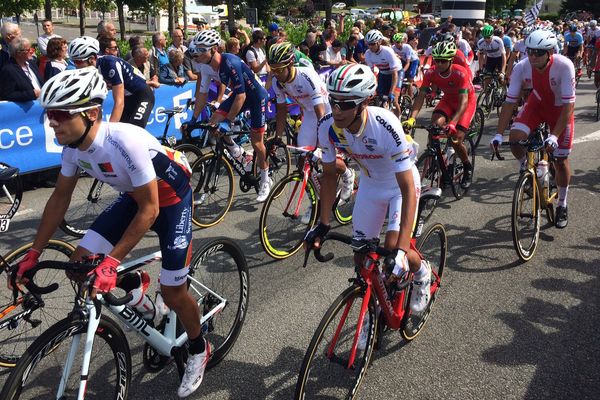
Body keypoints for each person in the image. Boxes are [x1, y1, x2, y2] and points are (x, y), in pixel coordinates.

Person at [14, 67, 209, 398]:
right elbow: (59, 198)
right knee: (80, 264)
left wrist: (112, 262)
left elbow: (151, 210)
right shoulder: (73, 149)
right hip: (135, 198)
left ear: (91, 113)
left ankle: (198, 347)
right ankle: (145, 302)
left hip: (172, 201)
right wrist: (33, 253)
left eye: (61, 114)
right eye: (49, 114)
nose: (52, 122)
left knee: (174, 290)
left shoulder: (123, 142)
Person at [305, 64, 430, 317]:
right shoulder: (328, 126)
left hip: (399, 187)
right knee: (361, 258)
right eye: (333, 101)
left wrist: (403, 251)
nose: (337, 110)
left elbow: (407, 188)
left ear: (365, 102)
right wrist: (323, 223)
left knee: (394, 249)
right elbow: (329, 177)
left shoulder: (385, 124)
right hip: (371, 186)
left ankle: (422, 272)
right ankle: (370, 316)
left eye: (346, 103)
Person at [491, 29, 574, 229]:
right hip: (536, 106)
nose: (533, 56)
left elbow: (568, 106)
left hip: (560, 111)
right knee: (516, 137)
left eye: (538, 52)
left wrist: (554, 135)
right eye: (530, 51)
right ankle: (525, 169)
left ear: (550, 52)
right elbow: (510, 103)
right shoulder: (522, 67)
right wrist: (497, 134)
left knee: (561, 160)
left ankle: (562, 203)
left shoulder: (564, 66)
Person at [267, 42, 354, 220]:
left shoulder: (306, 76)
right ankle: (317, 202)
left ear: (290, 64)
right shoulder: (278, 82)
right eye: (272, 68)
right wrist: (277, 137)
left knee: (324, 157)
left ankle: (347, 174)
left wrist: (321, 144)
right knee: (303, 163)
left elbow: (320, 111)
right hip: (309, 115)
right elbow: (282, 110)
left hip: (327, 113)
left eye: (278, 69)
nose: (275, 73)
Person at [186, 30, 272, 202]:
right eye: (198, 49)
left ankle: (265, 179)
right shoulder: (204, 65)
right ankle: (239, 153)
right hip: (240, 95)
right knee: (212, 124)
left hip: (255, 96)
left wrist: (227, 121)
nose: (198, 53)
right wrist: (193, 119)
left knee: (256, 142)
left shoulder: (230, 62)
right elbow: (202, 94)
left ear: (214, 49)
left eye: (203, 49)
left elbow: (242, 96)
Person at [404, 40, 476, 190]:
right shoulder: (431, 72)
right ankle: (436, 159)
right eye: (437, 60)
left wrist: (453, 123)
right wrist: (411, 118)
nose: (440, 64)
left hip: (466, 103)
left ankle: (467, 167)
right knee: (434, 128)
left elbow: (463, 102)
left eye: (443, 61)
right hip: (448, 100)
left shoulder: (459, 72)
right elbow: (420, 97)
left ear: (450, 60)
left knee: (456, 139)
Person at [68, 36, 155, 128]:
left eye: (78, 62)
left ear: (92, 59)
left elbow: (119, 102)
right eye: (74, 62)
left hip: (143, 95)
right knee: (121, 133)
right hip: (128, 98)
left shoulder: (110, 64)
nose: (76, 66)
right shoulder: (89, 71)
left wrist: (109, 130)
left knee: (133, 130)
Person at [364, 29, 402, 115]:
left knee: (394, 100)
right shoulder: (368, 53)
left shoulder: (388, 52)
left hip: (397, 73)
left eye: (372, 44)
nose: (370, 47)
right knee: (381, 98)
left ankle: (398, 122)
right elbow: (371, 73)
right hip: (384, 74)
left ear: (379, 42)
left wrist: (392, 92)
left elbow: (394, 74)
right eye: (368, 44)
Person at [0, 38, 43, 102]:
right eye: (28, 50)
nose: (32, 51)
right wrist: (31, 94)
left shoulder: (31, 63)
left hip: (42, 104)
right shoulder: (8, 70)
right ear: (19, 53)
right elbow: (7, 95)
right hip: (28, 108)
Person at [477, 24, 507, 90]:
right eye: (484, 37)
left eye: (488, 37)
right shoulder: (480, 43)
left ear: (492, 35)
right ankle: (486, 95)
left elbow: (504, 56)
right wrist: (480, 68)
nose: (486, 40)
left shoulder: (498, 41)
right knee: (486, 78)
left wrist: (502, 71)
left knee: (501, 79)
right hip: (490, 59)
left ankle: (505, 92)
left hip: (500, 59)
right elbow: (481, 56)